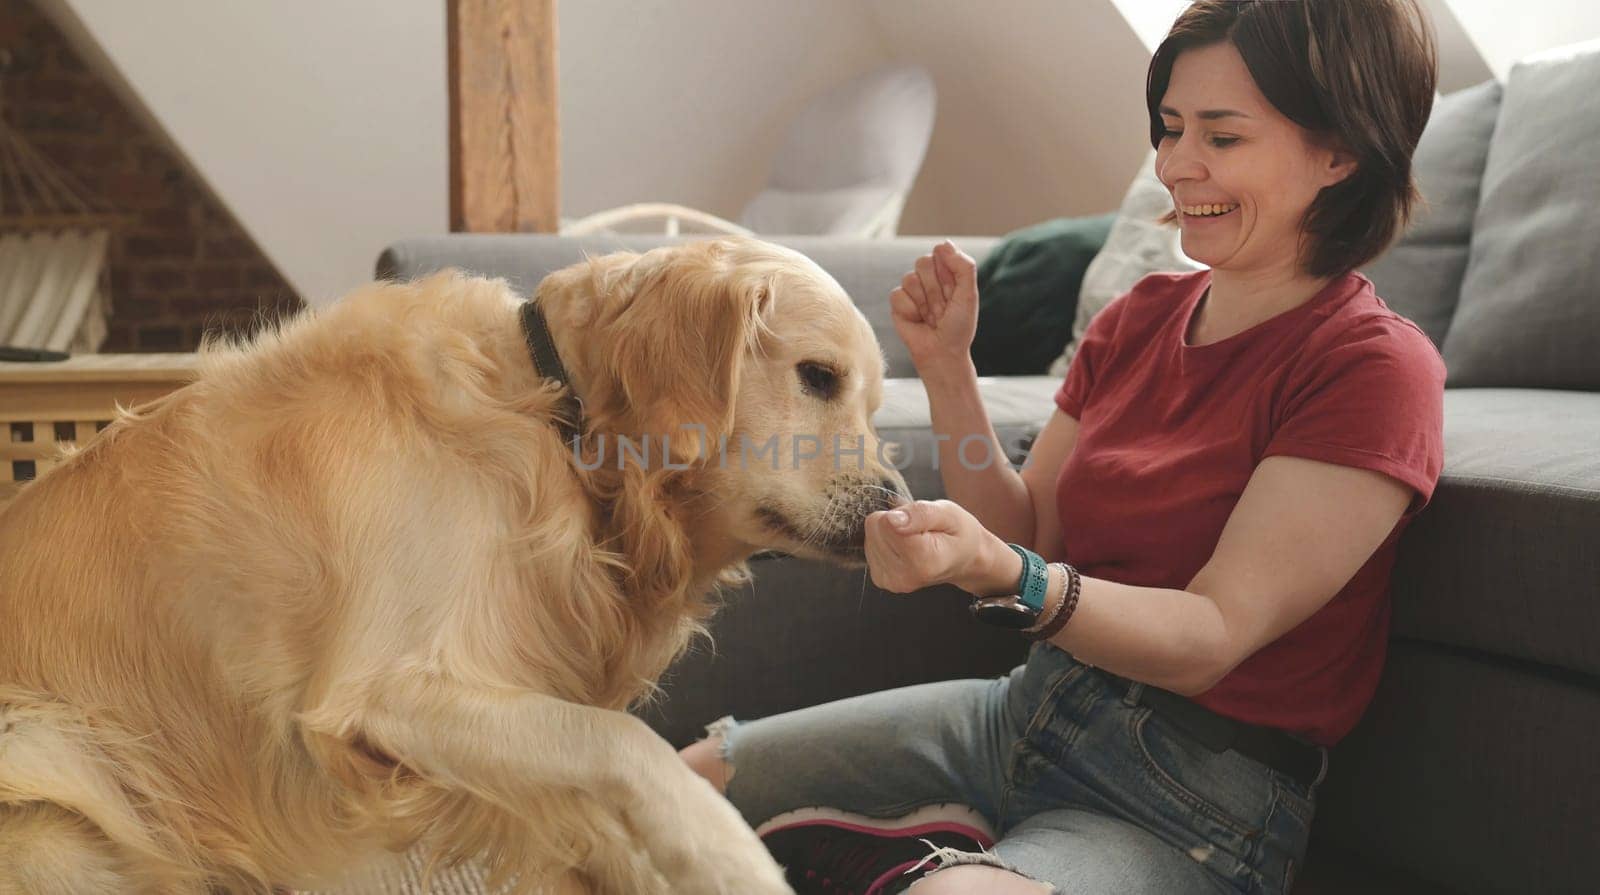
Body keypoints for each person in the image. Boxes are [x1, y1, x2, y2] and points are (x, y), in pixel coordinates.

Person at [680, 1, 1445, 892]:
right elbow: (1028, 525)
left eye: (1221, 137)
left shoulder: (1371, 370)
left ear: (1339, 152)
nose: (1174, 164)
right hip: (1024, 710)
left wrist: (1008, 576)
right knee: (678, 785)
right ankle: (920, 853)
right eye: (1169, 128)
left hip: (1189, 802)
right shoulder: (1141, 317)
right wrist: (947, 369)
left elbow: (1209, 634)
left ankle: (927, 865)